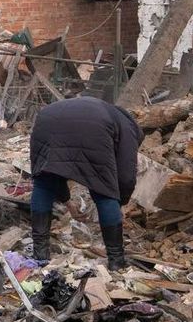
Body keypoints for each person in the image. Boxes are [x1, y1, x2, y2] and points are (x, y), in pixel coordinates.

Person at [27, 94, 140, 269]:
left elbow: (57, 169)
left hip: (48, 120)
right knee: (104, 191)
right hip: (92, 128)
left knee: (44, 182)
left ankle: (40, 254)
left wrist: (68, 203)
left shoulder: (110, 112)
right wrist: (120, 203)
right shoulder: (128, 129)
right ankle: (116, 260)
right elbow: (126, 175)